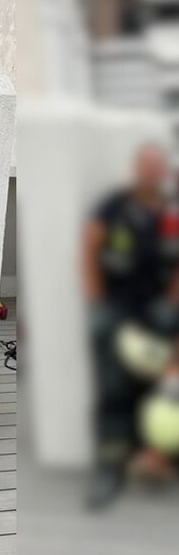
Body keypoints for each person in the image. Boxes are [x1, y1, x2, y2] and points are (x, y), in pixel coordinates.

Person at [82, 143, 179, 508]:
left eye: (158, 168)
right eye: (146, 167)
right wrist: (97, 305)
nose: (152, 174)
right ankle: (111, 466)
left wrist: (171, 303)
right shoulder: (114, 206)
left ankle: (158, 456)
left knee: (163, 385)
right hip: (119, 307)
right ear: (137, 169)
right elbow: (90, 251)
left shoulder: (172, 210)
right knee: (114, 387)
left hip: (160, 309)